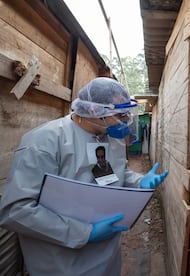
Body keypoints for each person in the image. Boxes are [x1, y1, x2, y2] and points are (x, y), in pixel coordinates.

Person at [0, 77, 169, 275]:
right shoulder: (44, 141)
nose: (126, 120)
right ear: (93, 110)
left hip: (108, 257)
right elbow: (16, 210)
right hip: (62, 263)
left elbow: (114, 174)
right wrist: (85, 233)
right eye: (120, 114)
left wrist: (139, 181)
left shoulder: (110, 139)